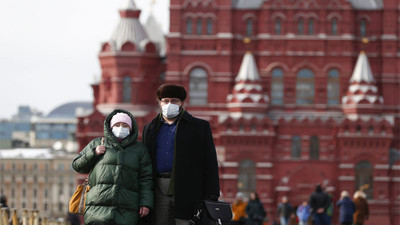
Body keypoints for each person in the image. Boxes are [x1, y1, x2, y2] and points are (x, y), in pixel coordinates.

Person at [142, 84, 220, 225]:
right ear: (159, 103)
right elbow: (144, 162)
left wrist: (212, 194)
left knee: (185, 222)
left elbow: (210, 162)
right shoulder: (150, 128)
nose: (169, 104)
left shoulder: (199, 127)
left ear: (182, 103)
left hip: (188, 186)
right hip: (159, 186)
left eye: (174, 101)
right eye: (165, 101)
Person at [72, 109, 153, 225]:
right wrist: (93, 153)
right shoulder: (98, 143)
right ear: (110, 127)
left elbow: (146, 179)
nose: (121, 128)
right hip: (97, 209)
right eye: (117, 125)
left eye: (125, 125)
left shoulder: (140, 150)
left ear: (131, 128)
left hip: (127, 209)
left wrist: (145, 203)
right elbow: (77, 165)